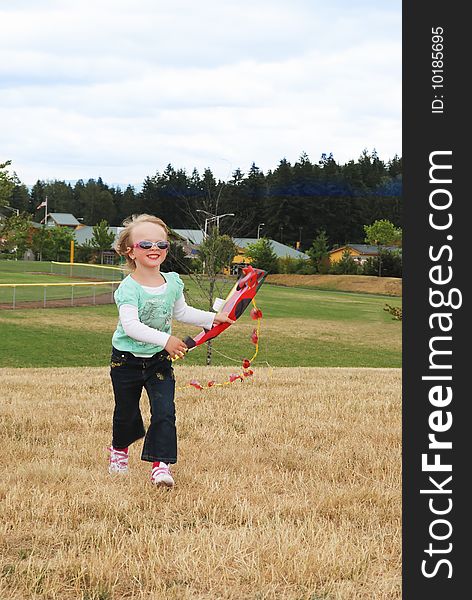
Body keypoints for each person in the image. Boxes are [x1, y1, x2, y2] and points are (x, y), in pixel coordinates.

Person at [108, 213, 234, 487]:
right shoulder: (128, 289)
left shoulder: (173, 282)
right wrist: (165, 340)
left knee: (165, 411)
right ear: (130, 251)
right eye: (146, 245)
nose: (155, 249)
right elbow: (130, 326)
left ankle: (160, 465)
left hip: (158, 362)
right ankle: (119, 451)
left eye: (161, 245)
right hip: (126, 361)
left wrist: (211, 319)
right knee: (126, 411)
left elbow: (182, 312)